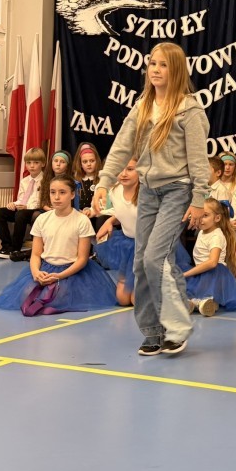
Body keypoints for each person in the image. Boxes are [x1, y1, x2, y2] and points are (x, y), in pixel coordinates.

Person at [92, 43, 210, 357]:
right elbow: (121, 146)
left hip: (177, 190)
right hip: (148, 191)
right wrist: (104, 182)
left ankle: (177, 328)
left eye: (163, 65)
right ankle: (153, 331)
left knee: (155, 258)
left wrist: (199, 198)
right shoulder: (143, 106)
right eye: (152, 63)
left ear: (177, 70)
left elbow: (199, 160)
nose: (155, 70)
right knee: (141, 262)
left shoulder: (189, 109)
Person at [0, 175, 117, 315]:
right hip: (46, 268)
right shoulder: (42, 219)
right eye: (53, 192)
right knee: (26, 294)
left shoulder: (81, 220)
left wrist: (60, 276)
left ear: (72, 194)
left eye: (62, 192)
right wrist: (36, 273)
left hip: (72, 271)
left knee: (58, 297)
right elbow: (36, 254)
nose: (56, 197)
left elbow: (82, 259)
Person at [184, 197, 236, 315]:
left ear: (217, 218)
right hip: (203, 273)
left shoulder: (216, 236)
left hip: (215, 275)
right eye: (200, 215)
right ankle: (198, 302)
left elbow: (212, 263)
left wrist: (187, 274)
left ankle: (206, 302)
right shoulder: (202, 231)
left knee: (190, 279)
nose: (201, 219)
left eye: (205, 215)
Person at [95, 158, 140, 307]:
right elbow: (124, 211)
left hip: (149, 246)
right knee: (122, 299)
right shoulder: (114, 191)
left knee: (137, 300)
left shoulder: (148, 193)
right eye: (120, 169)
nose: (124, 174)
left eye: (130, 169)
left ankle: (180, 297)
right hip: (129, 245)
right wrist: (110, 221)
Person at [0, 147, 45, 258]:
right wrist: (14, 204)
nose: (32, 166)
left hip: (35, 210)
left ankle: (15, 249)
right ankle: (6, 247)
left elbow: (41, 201)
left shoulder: (45, 180)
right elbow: (21, 198)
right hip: (22, 208)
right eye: (29, 163)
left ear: (43, 164)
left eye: (36, 162)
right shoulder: (24, 181)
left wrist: (26, 206)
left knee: (20, 214)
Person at [73, 142, 103, 218]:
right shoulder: (76, 180)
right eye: (85, 162)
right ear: (80, 164)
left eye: (92, 161)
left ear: (97, 161)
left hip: (96, 215)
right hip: (78, 214)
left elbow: (102, 202)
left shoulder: (101, 179)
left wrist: (90, 211)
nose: (89, 164)